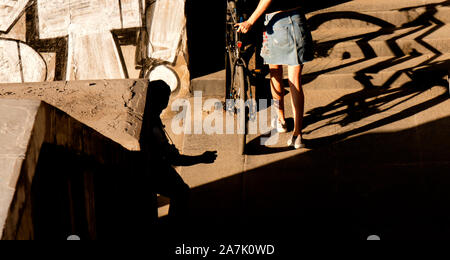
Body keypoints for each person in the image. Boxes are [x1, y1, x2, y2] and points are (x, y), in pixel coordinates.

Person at [236, 0, 314, 149]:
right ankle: (298, 135)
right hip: (298, 20)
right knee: (295, 81)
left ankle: (281, 121)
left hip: (276, 24)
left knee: (275, 74)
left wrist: (250, 21)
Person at [142, 80, 218, 223]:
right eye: (165, 100)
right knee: (181, 192)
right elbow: (175, 159)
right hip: (153, 170)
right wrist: (201, 158)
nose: (166, 105)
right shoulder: (154, 128)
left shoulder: (148, 113)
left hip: (151, 165)